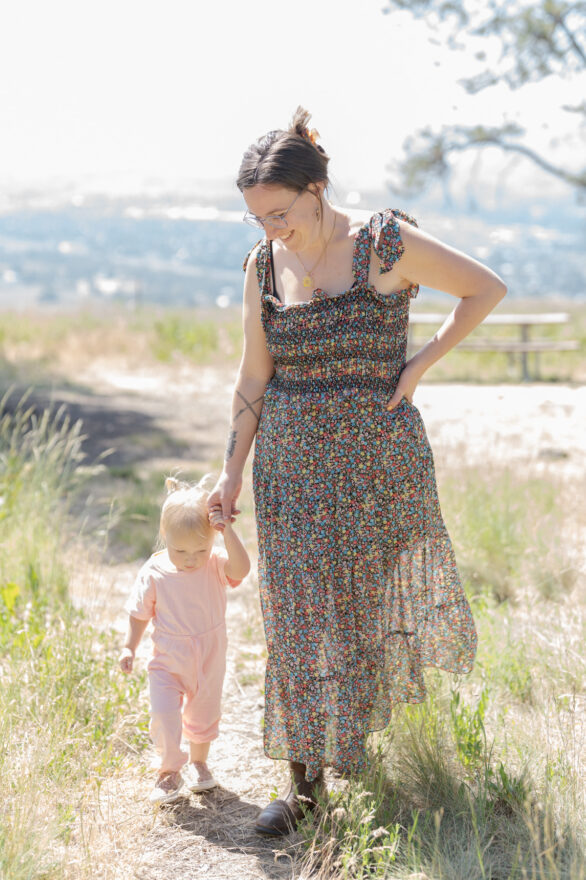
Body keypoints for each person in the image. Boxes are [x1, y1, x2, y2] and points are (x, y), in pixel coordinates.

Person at [207, 107, 507, 836]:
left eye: (280, 213)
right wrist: (229, 472)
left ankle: (360, 755)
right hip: (291, 463)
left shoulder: (382, 242)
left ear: (318, 187)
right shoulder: (262, 266)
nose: (271, 230)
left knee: (362, 611)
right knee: (299, 614)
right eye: (257, 219)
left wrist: (420, 363)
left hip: (379, 461)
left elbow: (484, 288)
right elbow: (254, 375)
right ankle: (304, 784)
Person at [120, 476, 250, 804]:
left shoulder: (215, 565)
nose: (191, 558)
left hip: (209, 655)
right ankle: (168, 770)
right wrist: (129, 646)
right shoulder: (154, 572)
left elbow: (243, 568)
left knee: (203, 714)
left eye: (200, 549)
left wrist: (227, 532)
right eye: (180, 550)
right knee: (164, 715)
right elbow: (139, 614)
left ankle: (199, 763)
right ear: (165, 537)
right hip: (168, 658)